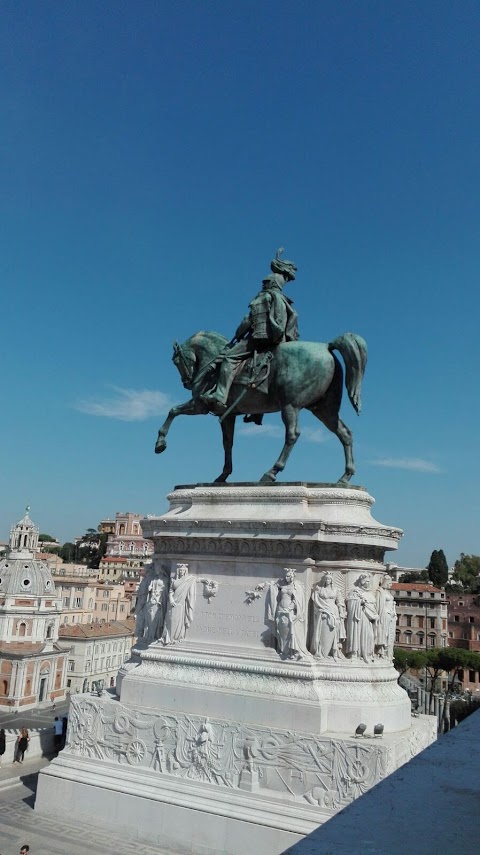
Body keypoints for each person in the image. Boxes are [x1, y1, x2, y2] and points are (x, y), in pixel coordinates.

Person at [200, 248, 298, 414]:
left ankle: (220, 395)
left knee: (229, 359)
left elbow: (248, 320)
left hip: (261, 339)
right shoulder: (285, 301)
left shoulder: (263, 297)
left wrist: (238, 335)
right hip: (281, 341)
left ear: (269, 283)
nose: (262, 285)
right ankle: (256, 413)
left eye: (264, 283)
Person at [266, 568, 308, 660]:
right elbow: (274, 588)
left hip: (290, 611)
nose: (287, 577)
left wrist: (289, 608)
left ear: (293, 577)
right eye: (287, 576)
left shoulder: (296, 587)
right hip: (280, 609)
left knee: (290, 631)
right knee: (281, 630)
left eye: (290, 576)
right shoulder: (282, 585)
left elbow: (297, 600)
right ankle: (283, 650)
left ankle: (291, 651)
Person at [310, 572, 346, 659]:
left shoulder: (336, 590)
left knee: (333, 631)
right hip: (322, 611)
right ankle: (322, 651)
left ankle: (331, 651)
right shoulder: (320, 589)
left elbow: (339, 602)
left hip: (333, 612)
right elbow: (315, 600)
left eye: (329, 579)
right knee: (322, 631)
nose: (327, 580)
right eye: (326, 579)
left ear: (332, 580)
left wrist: (341, 612)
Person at [345, 574, 379, 663]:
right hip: (359, 617)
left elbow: (374, 606)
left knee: (370, 635)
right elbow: (350, 603)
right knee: (358, 633)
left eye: (369, 581)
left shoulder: (370, 593)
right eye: (366, 581)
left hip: (369, 618)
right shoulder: (355, 592)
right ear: (361, 582)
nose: (367, 583)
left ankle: (367, 653)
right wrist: (360, 602)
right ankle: (355, 653)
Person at [161, 564, 197, 645]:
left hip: (180, 604)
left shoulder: (188, 580)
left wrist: (204, 580)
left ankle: (175, 637)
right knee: (169, 620)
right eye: (180, 570)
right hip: (172, 603)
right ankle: (168, 637)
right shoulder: (174, 581)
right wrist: (171, 599)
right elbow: (171, 591)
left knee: (177, 621)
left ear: (185, 572)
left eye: (183, 570)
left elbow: (196, 579)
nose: (181, 571)